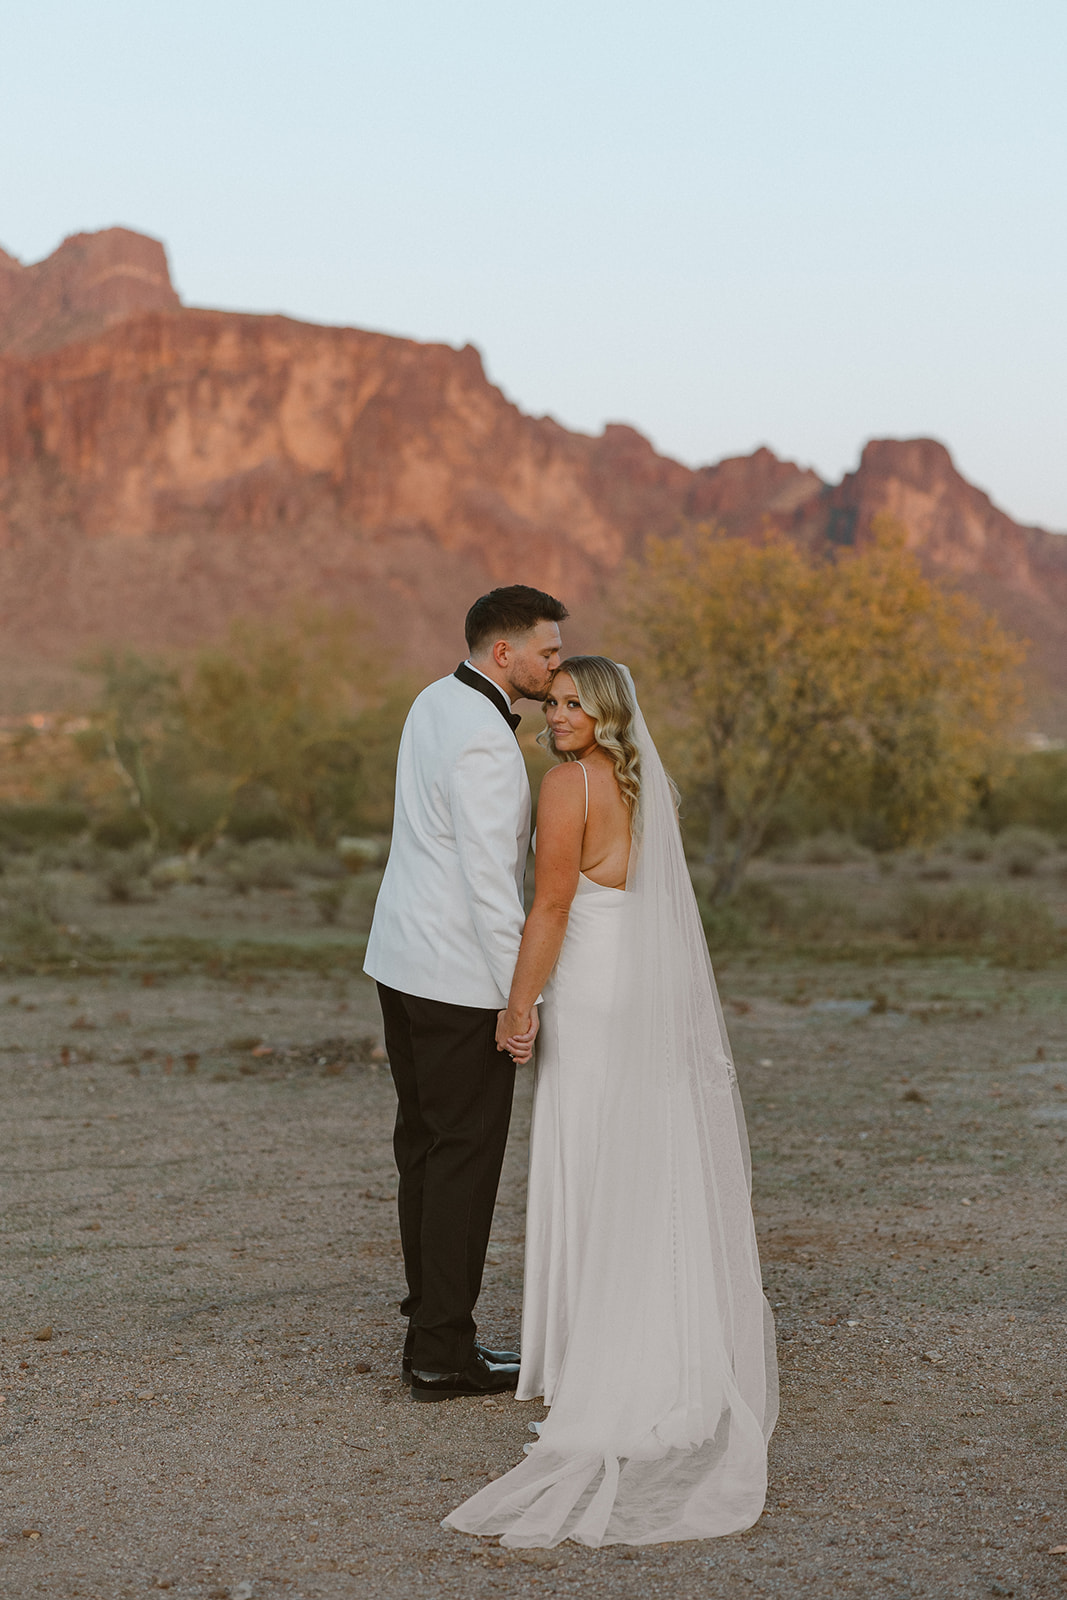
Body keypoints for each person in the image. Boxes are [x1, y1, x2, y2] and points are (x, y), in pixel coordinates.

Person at [444, 657, 778, 1546]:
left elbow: (549, 908)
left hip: (590, 991)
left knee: (587, 1152)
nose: (555, 717)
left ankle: (589, 1352)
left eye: (570, 705)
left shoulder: (567, 788)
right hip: (648, 987)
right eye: (550, 703)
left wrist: (518, 1008)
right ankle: (663, 1339)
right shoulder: (641, 787)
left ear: (603, 714)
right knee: (648, 1155)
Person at [364, 585, 568, 1401]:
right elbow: (492, 887)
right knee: (462, 1161)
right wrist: (519, 1001)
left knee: (422, 1147)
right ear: (504, 654)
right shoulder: (487, 742)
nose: (556, 667)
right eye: (547, 653)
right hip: (456, 982)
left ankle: (430, 1328)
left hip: (400, 963)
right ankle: (443, 1353)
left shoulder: (431, 699)